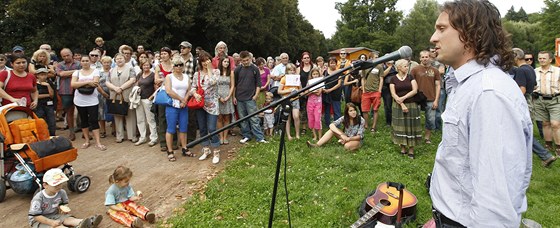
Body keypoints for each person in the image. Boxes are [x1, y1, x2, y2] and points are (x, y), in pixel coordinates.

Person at [429, 1, 532, 226]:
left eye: (442, 29)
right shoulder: (467, 84)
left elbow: (494, 202)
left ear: (470, 33)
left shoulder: (488, 93)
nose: (433, 38)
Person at [512, 48, 556, 167]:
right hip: (531, 99)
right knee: (524, 130)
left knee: (522, 131)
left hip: (524, 100)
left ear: (515, 57)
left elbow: (522, 89)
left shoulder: (521, 70)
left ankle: (544, 155)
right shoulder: (530, 68)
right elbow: (535, 85)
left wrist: (512, 102)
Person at [29, 168, 102, 228]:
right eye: (55, 185)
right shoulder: (38, 198)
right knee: (58, 227)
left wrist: (63, 207)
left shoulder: (61, 192)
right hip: (39, 220)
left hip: (54, 215)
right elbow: (36, 216)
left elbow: (64, 203)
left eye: (60, 184)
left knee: (68, 219)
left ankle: (87, 222)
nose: (59, 186)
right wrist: (51, 222)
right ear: (45, 185)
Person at [192, 51, 221, 164]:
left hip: (212, 105)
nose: (205, 63)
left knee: (212, 128)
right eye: (203, 61)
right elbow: (193, 87)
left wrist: (209, 69)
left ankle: (216, 151)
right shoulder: (197, 74)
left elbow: (213, 82)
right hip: (200, 103)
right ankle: (206, 149)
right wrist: (195, 94)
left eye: (207, 60)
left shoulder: (216, 72)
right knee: (203, 128)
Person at [71, 56, 106, 151]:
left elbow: (95, 83)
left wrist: (80, 83)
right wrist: (88, 82)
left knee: (94, 120)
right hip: (79, 100)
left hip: (92, 100)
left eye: (87, 60)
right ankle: (87, 140)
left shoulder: (95, 71)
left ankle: (98, 142)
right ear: (80, 62)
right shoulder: (76, 72)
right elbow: (73, 85)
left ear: (90, 61)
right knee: (83, 120)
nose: (85, 62)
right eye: (83, 61)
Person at [390, 59, 422, 159]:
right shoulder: (393, 79)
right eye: (405, 66)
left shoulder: (410, 77)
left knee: (411, 126)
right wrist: (401, 103)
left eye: (407, 66)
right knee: (400, 126)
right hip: (398, 106)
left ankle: (411, 150)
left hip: (411, 104)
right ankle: (403, 148)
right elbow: (393, 93)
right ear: (399, 67)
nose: (407, 68)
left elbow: (415, 90)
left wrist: (404, 98)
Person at [234, 51, 268, 144]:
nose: (245, 62)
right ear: (240, 60)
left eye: (247, 60)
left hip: (251, 98)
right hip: (240, 97)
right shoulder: (237, 69)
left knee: (254, 118)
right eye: (243, 60)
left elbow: (258, 83)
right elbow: (235, 84)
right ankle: (246, 135)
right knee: (243, 118)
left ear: (250, 58)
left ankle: (259, 137)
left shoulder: (255, 69)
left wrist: (256, 95)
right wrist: (234, 96)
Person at [164, 57, 192, 161]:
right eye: (176, 65)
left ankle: (184, 148)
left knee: (183, 127)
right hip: (172, 105)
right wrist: (181, 99)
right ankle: (170, 150)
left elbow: (189, 90)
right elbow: (168, 91)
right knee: (171, 129)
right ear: (173, 66)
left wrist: (185, 100)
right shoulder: (169, 77)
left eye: (180, 64)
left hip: (183, 106)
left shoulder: (186, 76)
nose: (178, 67)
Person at [410, 50, 441, 144]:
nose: (425, 59)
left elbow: (438, 85)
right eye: (422, 57)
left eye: (426, 57)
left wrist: (436, 100)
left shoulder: (435, 70)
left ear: (430, 58)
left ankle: (427, 137)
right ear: (420, 58)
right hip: (417, 98)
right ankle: (415, 136)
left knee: (430, 120)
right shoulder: (415, 70)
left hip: (431, 98)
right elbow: (411, 83)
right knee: (415, 118)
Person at [533, 51, 560, 156]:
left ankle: (558, 147)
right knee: (545, 123)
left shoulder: (558, 71)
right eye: (540, 58)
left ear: (550, 60)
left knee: (555, 124)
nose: (541, 60)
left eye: (544, 58)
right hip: (539, 99)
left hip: (555, 99)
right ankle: (548, 145)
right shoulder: (535, 71)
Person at [106, 53, 137, 144]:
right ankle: (119, 136)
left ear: (125, 59)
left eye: (121, 58)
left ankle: (132, 136)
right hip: (115, 95)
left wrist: (121, 88)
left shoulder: (130, 68)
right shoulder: (111, 70)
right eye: (117, 59)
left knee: (130, 115)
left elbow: (132, 80)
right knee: (117, 115)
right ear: (115, 61)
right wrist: (115, 88)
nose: (119, 60)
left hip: (127, 94)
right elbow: (107, 81)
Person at [56, 48, 81, 141]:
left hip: (79, 90)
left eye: (68, 55)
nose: (66, 57)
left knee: (82, 111)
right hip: (65, 91)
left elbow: (83, 73)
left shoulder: (79, 63)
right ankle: (71, 132)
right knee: (69, 112)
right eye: (64, 56)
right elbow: (61, 74)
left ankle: (83, 129)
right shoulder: (60, 65)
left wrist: (68, 73)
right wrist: (76, 72)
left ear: (72, 54)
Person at [178, 41, 199, 143]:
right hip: (178, 91)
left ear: (189, 49)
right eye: (181, 47)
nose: (182, 49)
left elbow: (197, 76)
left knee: (191, 116)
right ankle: (181, 138)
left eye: (184, 47)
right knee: (179, 115)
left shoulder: (195, 61)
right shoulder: (177, 60)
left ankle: (191, 138)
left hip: (190, 92)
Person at [134, 60, 158, 147]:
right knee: (140, 119)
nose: (146, 67)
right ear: (141, 66)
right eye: (144, 65)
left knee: (150, 119)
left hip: (148, 99)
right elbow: (136, 84)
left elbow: (156, 88)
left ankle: (153, 138)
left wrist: (151, 97)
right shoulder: (140, 74)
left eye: (147, 65)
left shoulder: (152, 75)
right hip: (139, 99)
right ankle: (142, 137)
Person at [361, 52, 384, 133]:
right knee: (365, 110)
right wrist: (363, 90)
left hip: (375, 91)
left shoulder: (380, 66)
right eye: (375, 57)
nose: (377, 58)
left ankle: (373, 127)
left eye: (378, 57)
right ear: (370, 58)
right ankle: (366, 125)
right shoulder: (365, 67)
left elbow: (381, 78)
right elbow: (363, 78)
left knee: (375, 109)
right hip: (366, 92)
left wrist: (380, 90)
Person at [278, 63, 302, 140]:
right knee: (287, 117)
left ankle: (297, 134)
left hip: (295, 99)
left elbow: (301, 90)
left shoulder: (297, 78)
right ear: (287, 71)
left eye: (293, 70)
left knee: (296, 116)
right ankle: (288, 135)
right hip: (286, 99)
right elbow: (279, 91)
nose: (292, 71)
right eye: (290, 70)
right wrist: (288, 90)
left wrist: (298, 90)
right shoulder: (284, 78)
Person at [217, 57, 235, 144]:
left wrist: (229, 96)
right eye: (224, 61)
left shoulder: (231, 73)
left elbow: (232, 86)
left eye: (228, 62)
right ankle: (221, 137)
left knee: (227, 117)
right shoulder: (216, 72)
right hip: (218, 96)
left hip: (227, 96)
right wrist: (219, 97)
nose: (226, 63)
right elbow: (214, 86)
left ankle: (225, 136)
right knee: (219, 118)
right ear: (221, 62)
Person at [34, 68, 56, 136]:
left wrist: (48, 85)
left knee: (51, 121)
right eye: (41, 75)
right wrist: (47, 95)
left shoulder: (49, 83)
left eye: (45, 74)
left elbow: (52, 95)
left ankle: (52, 135)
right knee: (41, 121)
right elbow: (36, 96)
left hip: (49, 104)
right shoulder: (35, 83)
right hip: (39, 105)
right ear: (37, 75)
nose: (43, 76)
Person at [323, 57, 343, 126]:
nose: (332, 64)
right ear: (328, 64)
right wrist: (324, 90)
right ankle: (327, 124)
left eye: (334, 63)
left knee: (336, 110)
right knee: (327, 110)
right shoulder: (325, 72)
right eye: (331, 63)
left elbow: (339, 84)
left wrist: (330, 90)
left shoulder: (339, 72)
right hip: (326, 94)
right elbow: (322, 82)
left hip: (336, 93)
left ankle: (337, 125)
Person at [306, 67, 323, 141]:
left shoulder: (321, 81)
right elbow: (306, 93)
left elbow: (319, 93)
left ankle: (320, 137)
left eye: (316, 74)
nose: (315, 75)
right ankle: (315, 136)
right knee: (311, 119)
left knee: (317, 119)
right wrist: (311, 91)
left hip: (318, 103)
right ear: (311, 75)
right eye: (314, 74)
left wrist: (311, 91)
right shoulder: (309, 82)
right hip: (310, 103)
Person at [98, 56, 112, 138]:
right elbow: (97, 84)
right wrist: (103, 93)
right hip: (101, 94)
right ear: (102, 63)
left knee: (113, 111)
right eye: (105, 62)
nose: (106, 64)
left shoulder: (113, 71)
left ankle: (114, 130)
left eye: (108, 62)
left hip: (112, 93)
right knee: (101, 112)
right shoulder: (99, 72)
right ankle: (103, 130)